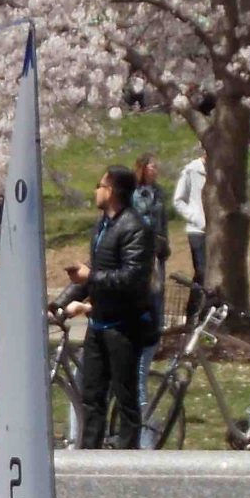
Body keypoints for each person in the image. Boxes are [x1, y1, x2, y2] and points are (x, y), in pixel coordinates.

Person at [65, 165, 156, 449]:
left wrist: (90, 277)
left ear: (113, 191)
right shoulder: (103, 225)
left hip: (124, 327)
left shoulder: (135, 228)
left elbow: (131, 278)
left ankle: (127, 459)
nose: (96, 191)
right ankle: (89, 454)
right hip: (99, 324)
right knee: (91, 395)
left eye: (100, 185)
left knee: (126, 397)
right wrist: (61, 302)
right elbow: (94, 269)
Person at [129, 154, 172, 445]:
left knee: (156, 296)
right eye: (152, 165)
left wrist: (164, 246)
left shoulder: (159, 195)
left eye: (158, 165)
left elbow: (163, 223)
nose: (156, 169)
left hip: (155, 255)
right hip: (141, 253)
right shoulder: (135, 194)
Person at [172, 155, 207, 328]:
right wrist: (194, 217)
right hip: (197, 230)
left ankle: (206, 316)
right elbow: (178, 200)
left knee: (214, 275)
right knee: (202, 272)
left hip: (216, 231)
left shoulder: (222, 169)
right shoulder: (192, 170)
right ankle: (192, 315)